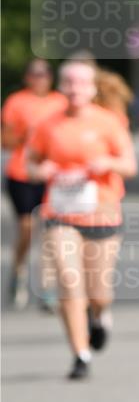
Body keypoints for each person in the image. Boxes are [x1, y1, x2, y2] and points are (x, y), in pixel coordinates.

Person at [26, 60, 137, 379]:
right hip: (60, 213)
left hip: (101, 212)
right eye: (69, 82)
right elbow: (31, 163)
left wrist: (108, 163)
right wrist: (41, 170)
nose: (74, 89)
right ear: (60, 86)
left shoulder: (109, 122)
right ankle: (80, 353)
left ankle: (100, 316)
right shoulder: (48, 125)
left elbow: (130, 166)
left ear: (92, 88)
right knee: (69, 282)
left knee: (99, 293)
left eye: (81, 83)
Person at [1, 59, 67, 309]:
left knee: (51, 232)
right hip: (22, 174)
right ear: (27, 77)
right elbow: (5, 141)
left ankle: (47, 287)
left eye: (44, 74)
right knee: (27, 228)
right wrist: (26, 134)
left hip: (52, 176)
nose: (40, 78)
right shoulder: (17, 102)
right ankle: (18, 271)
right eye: (34, 74)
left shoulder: (60, 102)